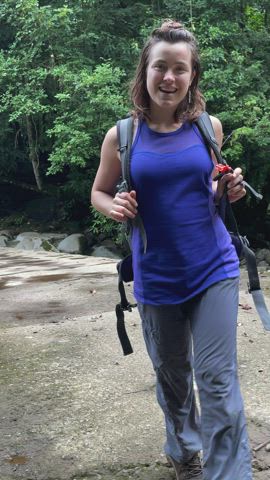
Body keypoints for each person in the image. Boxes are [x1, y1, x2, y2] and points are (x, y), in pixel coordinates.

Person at [91, 20, 253, 480]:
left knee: (218, 381)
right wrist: (114, 204)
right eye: (160, 66)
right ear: (145, 71)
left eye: (179, 69)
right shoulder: (122, 137)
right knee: (173, 380)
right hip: (157, 276)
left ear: (192, 76)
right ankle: (185, 454)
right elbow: (99, 192)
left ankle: (230, 474)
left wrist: (228, 189)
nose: (169, 77)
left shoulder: (209, 127)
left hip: (213, 270)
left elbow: (210, 191)